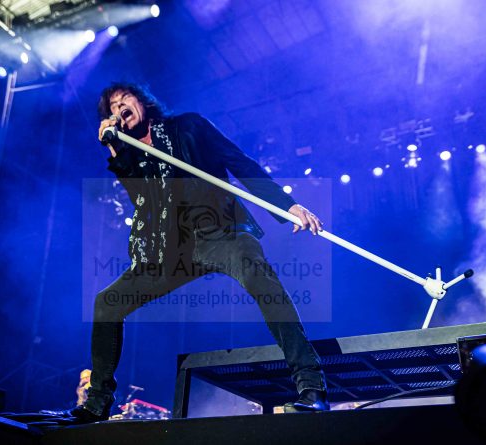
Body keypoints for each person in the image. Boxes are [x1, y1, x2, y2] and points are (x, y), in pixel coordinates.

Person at [65, 82, 328, 424]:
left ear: (142, 101)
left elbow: (239, 162)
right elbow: (141, 200)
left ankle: (311, 386)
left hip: (220, 232)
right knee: (107, 303)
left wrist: (286, 205)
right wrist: (117, 150)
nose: (119, 108)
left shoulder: (188, 126)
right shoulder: (132, 152)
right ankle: (97, 403)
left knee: (259, 278)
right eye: (112, 107)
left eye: (123, 99)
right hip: (170, 248)